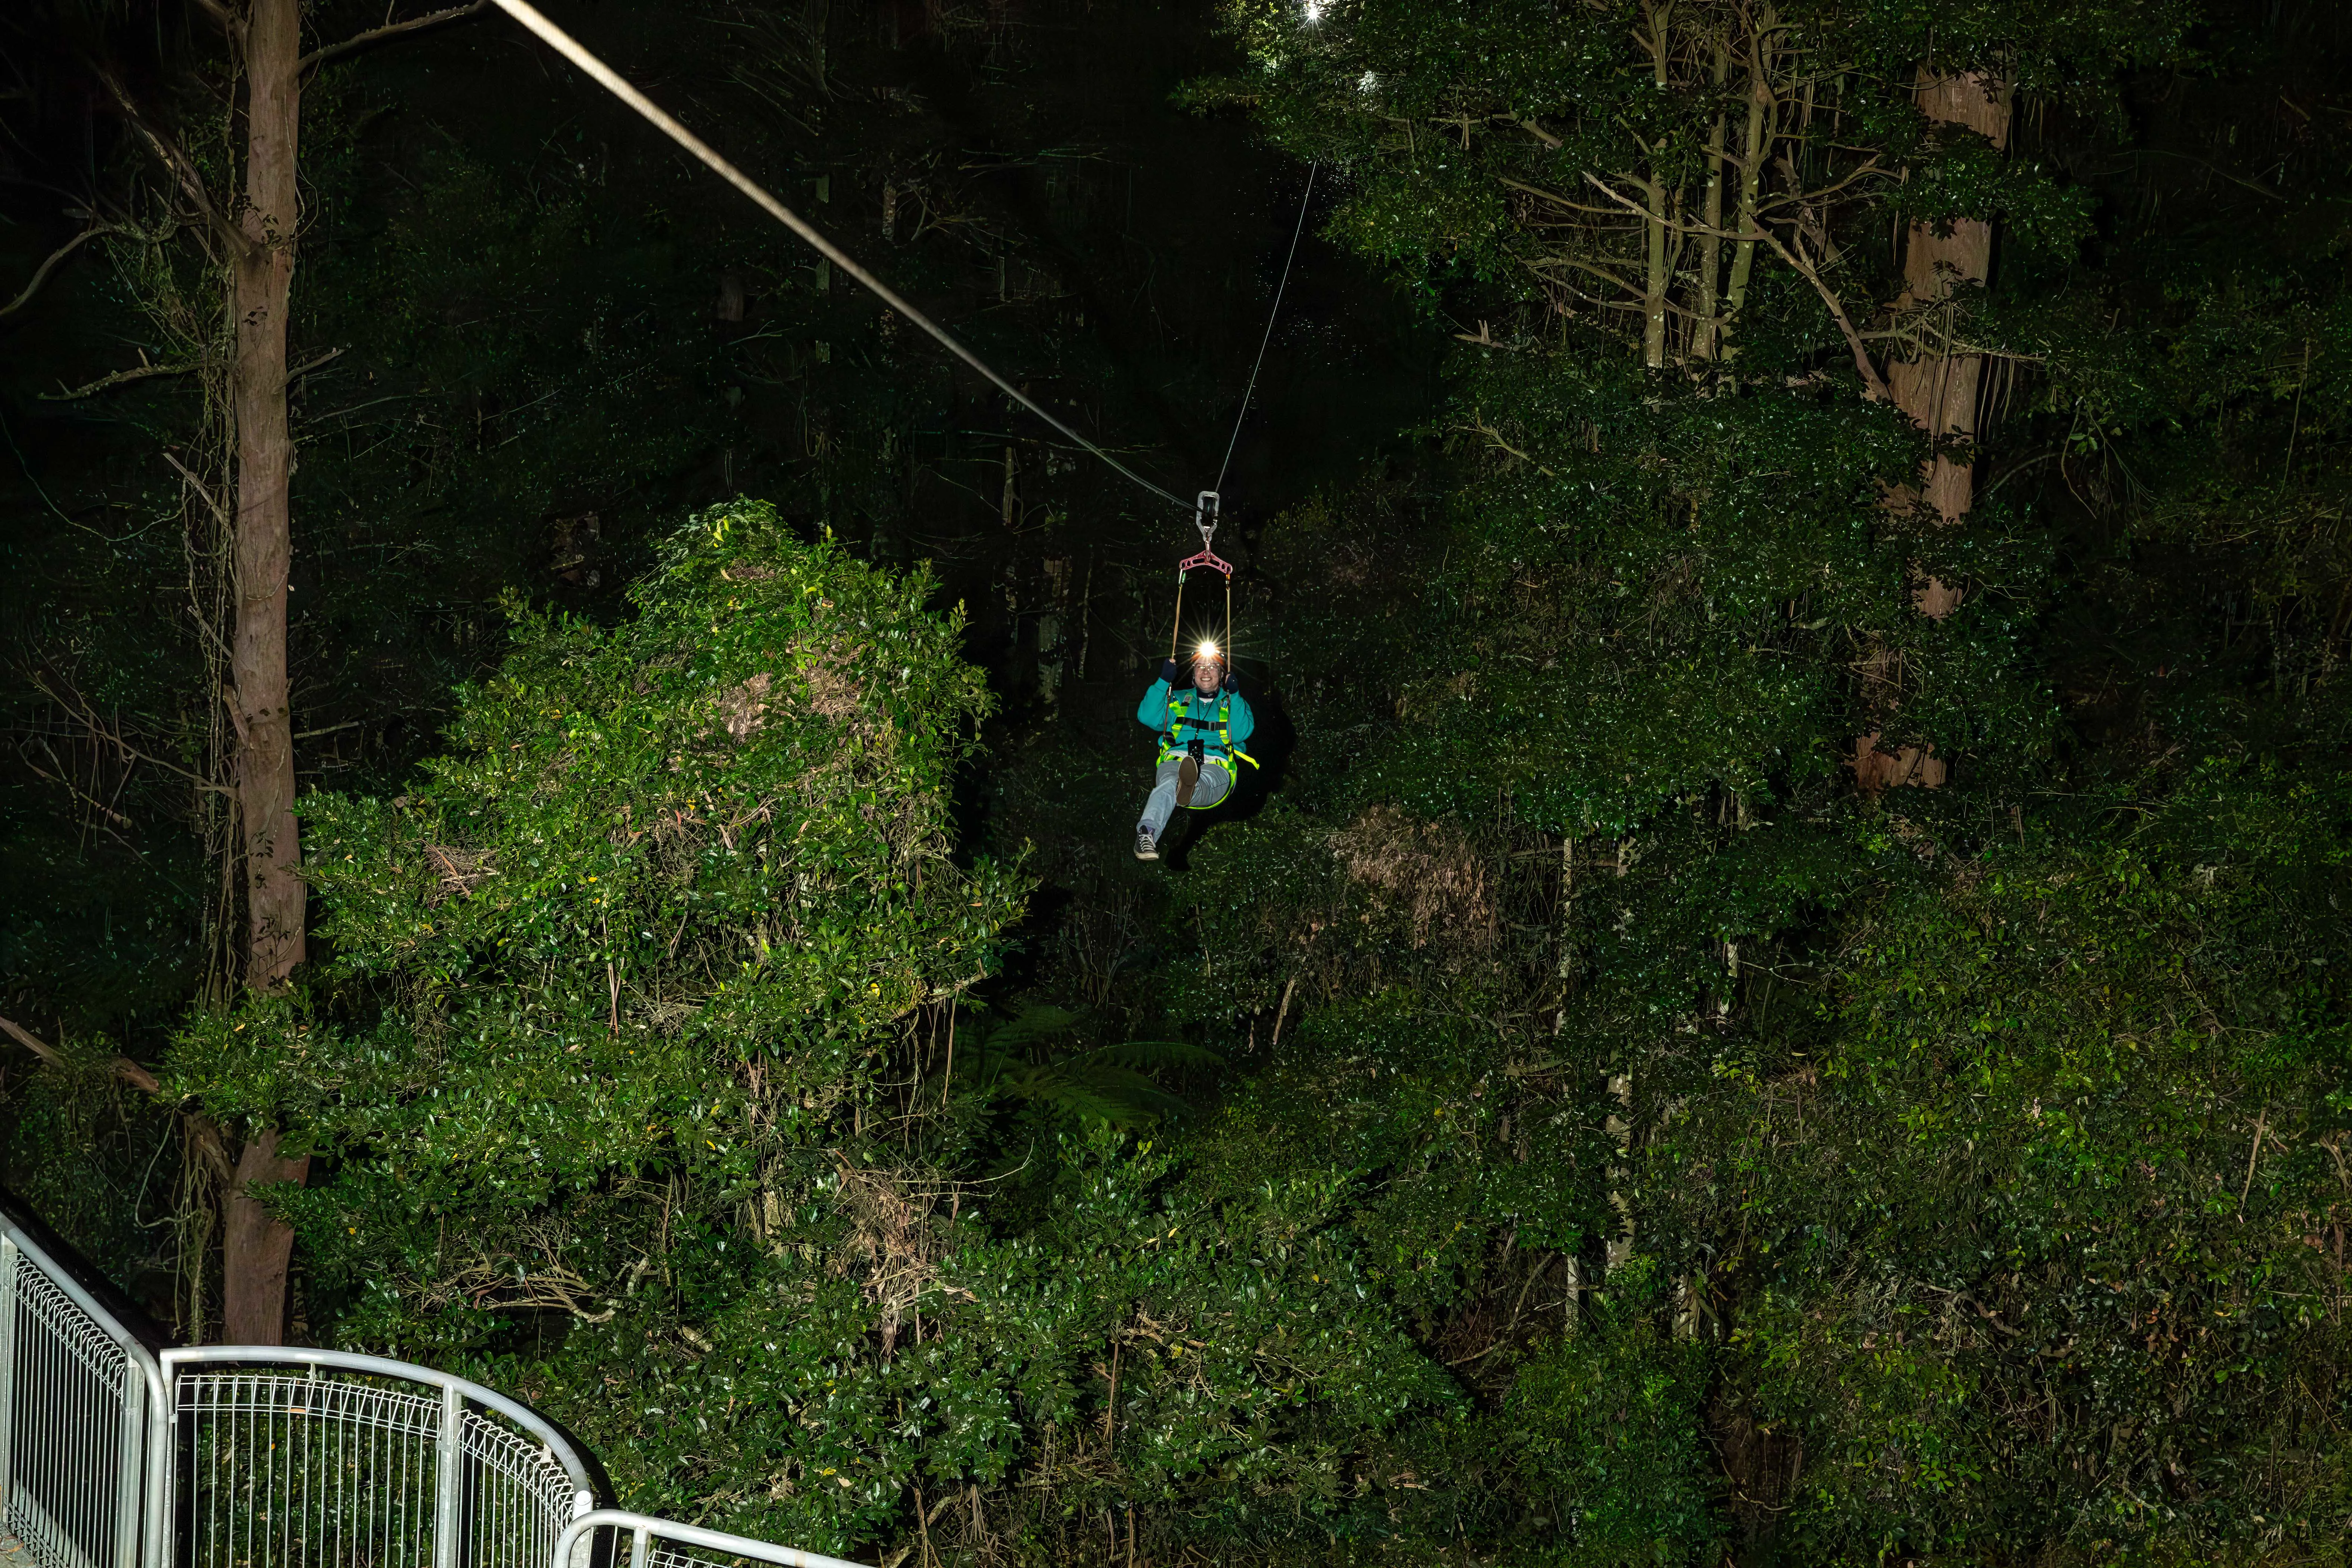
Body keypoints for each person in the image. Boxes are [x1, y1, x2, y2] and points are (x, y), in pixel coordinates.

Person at [1134, 643, 1253, 861]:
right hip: (1177, 759)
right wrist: (1163, 682)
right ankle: (1147, 836)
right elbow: (1147, 717)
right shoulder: (1178, 698)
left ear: (1222, 674)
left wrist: (1234, 695)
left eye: (1212, 666)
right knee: (1170, 783)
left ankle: (1190, 788)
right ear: (1194, 673)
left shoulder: (1232, 702)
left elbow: (1239, 734)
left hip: (1216, 764)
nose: (1206, 671)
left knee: (1199, 782)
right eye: (1200, 666)